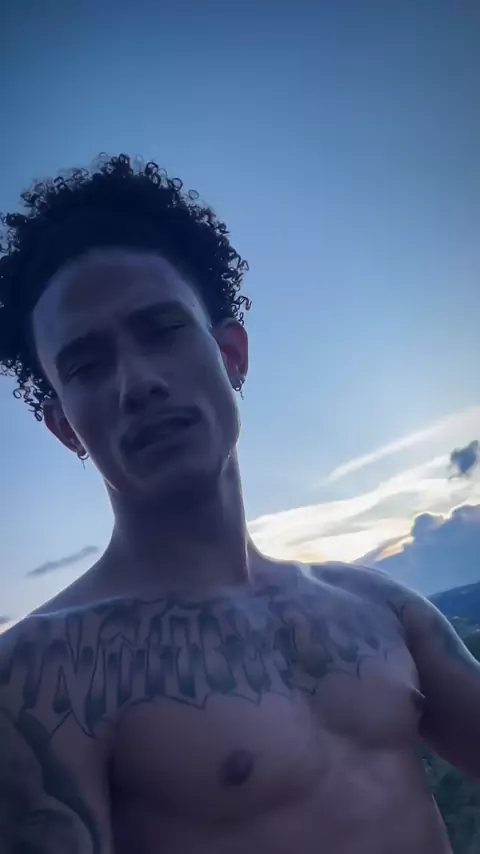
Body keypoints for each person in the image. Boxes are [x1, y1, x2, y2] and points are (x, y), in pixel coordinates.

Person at [0, 154, 478, 854]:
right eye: (86, 365)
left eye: (162, 330)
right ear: (64, 426)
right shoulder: (42, 678)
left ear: (232, 355)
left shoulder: (380, 608)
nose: (137, 383)